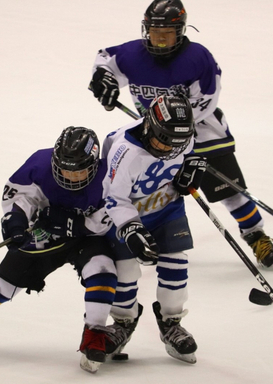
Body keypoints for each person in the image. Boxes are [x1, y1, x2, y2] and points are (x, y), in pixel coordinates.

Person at [89, 0, 273, 270]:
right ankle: (139, 237)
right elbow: (105, 59)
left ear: (180, 32)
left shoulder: (197, 58)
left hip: (204, 134)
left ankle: (256, 234)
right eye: (154, 34)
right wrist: (103, 79)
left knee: (228, 190)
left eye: (166, 35)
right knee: (142, 190)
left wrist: (170, 128)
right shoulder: (132, 54)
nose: (159, 41)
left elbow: (206, 101)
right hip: (154, 139)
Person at [0, 127, 118, 373]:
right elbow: (21, 199)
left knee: (103, 270)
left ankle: (94, 333)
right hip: (46, 234)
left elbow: (104, 220)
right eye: (64, 169)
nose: (69, 176)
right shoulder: (39, 164)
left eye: (77, 171)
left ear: (92, 164)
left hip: (86, 238)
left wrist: (67, 221)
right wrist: (16, 222)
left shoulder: (110, 174)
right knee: (2, 285)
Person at [101, 95, 206, 364]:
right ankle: (123, 323)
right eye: (164, 140)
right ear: (149, 127)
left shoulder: (180, 138)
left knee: (177, 264)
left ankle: (171, 322)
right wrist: (131, 229)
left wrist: (189, 173)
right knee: (124, 271)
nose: (171, 149)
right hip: (126, 215)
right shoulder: (126, 152)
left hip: (167, 209)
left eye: (178, 143)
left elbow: (187, 157)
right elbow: (114, 199)